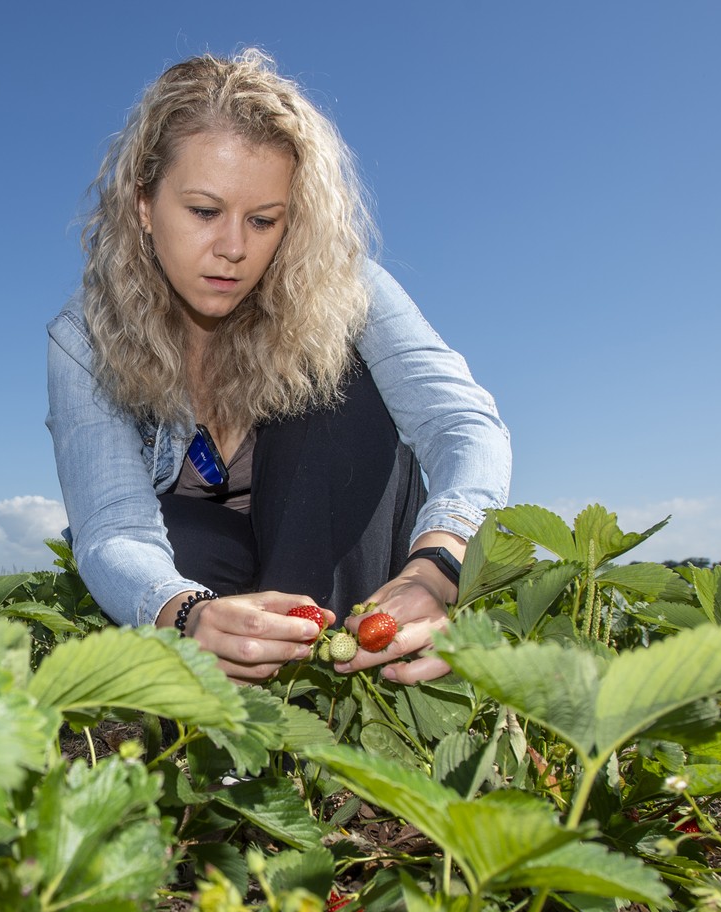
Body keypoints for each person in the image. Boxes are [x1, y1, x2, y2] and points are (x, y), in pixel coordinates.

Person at [46, 50, 511, 685]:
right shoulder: (85, 335)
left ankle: (335, 685)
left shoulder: (347, 288)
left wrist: (438, 565)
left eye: (263, 220)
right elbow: (111, 526)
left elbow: (463, 425)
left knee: (330, 398)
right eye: (204, 212)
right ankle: (249, 700)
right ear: (145, 208)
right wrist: (184, 615)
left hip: (353, 538)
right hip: (224, 569)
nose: (233, 248)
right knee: (178, 534)